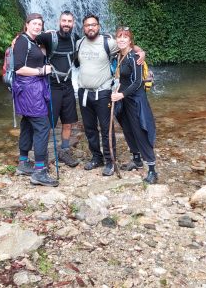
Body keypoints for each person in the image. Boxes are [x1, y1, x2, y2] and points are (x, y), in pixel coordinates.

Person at [76, 13, 145, 176]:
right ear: (83, 28)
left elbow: (126, 44)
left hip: (103, 92)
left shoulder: (108, 42)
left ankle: (109, 161)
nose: (91, 27)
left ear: (98, 26)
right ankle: (96, 157)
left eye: (93, 25)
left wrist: (141, 52)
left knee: (106, 128)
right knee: (90, 128)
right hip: (84, 92)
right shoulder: (79, 43)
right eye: (87, 25)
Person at [12, 13, 58, 187]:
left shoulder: (32, 41)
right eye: (34, 24)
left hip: (29, 90)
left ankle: (23, 163)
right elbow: (18, 69)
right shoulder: (22, 41)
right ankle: (40, 171)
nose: (37, 26)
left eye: (40, 24)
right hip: (29, 91)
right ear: (27, 24)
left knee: (27, 124)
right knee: (42, 126)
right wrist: (41, 71)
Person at [111, 26, 158, 184]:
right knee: (128, 130)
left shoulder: (134, 57)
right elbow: (123, 79)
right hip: (124, 99)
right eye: (119, 36)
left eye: (125, 37)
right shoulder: (119, 55)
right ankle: (137, 160)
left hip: (135, 100)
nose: (122, 39)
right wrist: (118, 90)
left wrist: (121, 94)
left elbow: (138, 82)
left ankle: (152, 170)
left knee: (140, 131)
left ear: (130, 40)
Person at [35, 10, 80, 167]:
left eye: (69, 21)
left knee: (68, 122)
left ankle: (64, 151)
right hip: (52, 87)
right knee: (48, 124)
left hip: (68, 86)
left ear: (73, 23)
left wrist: (138, 50)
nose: (66, 24)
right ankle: (43, 155)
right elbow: (29, 38)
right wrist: (16, 40)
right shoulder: (49, 37)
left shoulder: (75, 39)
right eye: (64, 21)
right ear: (59, 22)